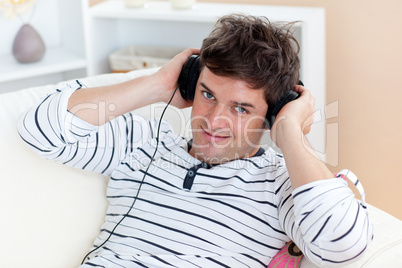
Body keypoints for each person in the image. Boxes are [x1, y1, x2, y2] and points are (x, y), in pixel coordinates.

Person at [18, 14, 372, 267]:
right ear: (189, 84)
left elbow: (344, 246)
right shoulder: (140, 145)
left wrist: (290, 130)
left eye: (240, 108)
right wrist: (157, 85)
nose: (213, 120)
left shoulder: (281, 185)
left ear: (273, 112)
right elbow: (41, 129)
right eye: (207, 94)